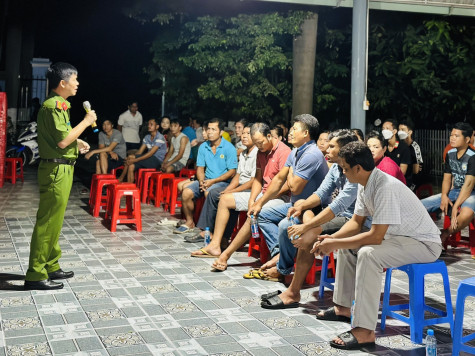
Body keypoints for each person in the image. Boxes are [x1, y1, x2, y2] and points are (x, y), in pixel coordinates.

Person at [313, 141, 441, 350]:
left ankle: (365, 331)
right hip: (399, 238)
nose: (343, 173)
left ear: (358, 168)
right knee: (348, 247)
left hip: (424, 244)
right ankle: (343, 308)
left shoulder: (385, 186)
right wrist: (332, 239)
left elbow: (375, 236)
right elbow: (356, 224)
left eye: (345, 169)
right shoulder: (365, 185)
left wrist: (334, 242)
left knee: (368, 253)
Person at [259, 130, 359, 299]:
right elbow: (320, 193)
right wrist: (302, 206)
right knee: (297, 211)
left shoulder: (356, 170)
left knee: (307, 234)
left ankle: (292, 290)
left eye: (332, 146)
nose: (326, 148)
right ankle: (290, 284)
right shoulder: (336, 167)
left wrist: (307, 225)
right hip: (337, 215)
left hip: (353, 219)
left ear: (345, 149)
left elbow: (338, 205)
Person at [24, 62, 97, 290]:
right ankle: (36, 273)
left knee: (55, 221)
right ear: (63, 83)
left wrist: (79, 141)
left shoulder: (61, 105)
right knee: (47, 222)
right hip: (56, 170)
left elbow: (63, 137)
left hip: (62, 167)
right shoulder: (53, 106)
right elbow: (62, 141)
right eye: (74, 79)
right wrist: (85, 123)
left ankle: (51, 264)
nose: (77, 84)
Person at [248, 114, 329, 277]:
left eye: (294, 129)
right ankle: (279, 253)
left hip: (314, 209)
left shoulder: (311, 154)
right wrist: (260, 202)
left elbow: (294, 187)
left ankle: (282, 269)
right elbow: (278, 180)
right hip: (296, 205)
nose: (290, 132)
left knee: (286, 225)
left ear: (306, 133)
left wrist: (291, 168)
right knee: (262, 214)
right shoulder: (296, 152)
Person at [211, 122, 292, 271]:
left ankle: (226, 255)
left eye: (260, 143)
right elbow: (257, 179)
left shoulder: (284, 151)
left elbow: (286, 184)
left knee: (254, 213)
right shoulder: (261, 152)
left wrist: (260, 201)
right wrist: (251, 199)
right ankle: (215, 244)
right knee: (225, 199)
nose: (259, 147)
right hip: (263, 193)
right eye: (256, 143)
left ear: (269, 136)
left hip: (280, 197)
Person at [189, 122, 257, 249]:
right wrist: (228, 189)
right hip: (239, 187)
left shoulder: (257, 153)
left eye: (249, 134)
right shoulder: (243, 153)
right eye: (243, 134)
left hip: (250, 190)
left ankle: (224, 237)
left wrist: (232, 191)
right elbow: (237, 176)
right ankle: (207, 230)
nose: (244, 136)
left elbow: (253, 181)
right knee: (216, 194)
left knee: (225, 199)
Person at [174, 118, 237, 234]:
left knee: (209, 193)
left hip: (223, 182)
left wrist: (212, 182)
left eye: (214, 129)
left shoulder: (229, 148)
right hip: (206, 180)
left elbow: (232, 172)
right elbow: (200, 168)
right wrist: (202, 181)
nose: (210, 132)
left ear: (221, 132)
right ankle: (189, 222)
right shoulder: (203, 146)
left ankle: (210, 229)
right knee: (186, 192)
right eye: (209, 129)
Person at [422, 122, 475, 247]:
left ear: (467, 139)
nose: (452, 138)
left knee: (466, 214)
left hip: (472, 192)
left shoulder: (472, 157)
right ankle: (429, 236)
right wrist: (445, 196)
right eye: (451, 135)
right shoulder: (450, 154)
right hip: (455, 191)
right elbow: (446, 179)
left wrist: (456, 206)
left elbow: (468, 186)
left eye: (456, 136)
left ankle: (446, 233)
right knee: (420, 206)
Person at [118, 118, 167, 183]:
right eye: (148, 124)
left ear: (157, 126)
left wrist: (134, 159)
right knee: (131, 165)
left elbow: (151, 153)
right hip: (148, 159)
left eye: (151, 124)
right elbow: (140, 152)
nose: (149, 126)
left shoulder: (160, 137)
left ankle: (121, 178)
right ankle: (130, 187)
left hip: (157, 161)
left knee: (130, 158)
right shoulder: (147, 137)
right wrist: (133, 157)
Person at [398, 120, 423, 190]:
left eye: (403, 130)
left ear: (410, 132)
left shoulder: (415, 147)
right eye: (399, 129)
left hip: (410, 183)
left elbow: (417, 171)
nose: (400, 132)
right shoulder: (398, 145)